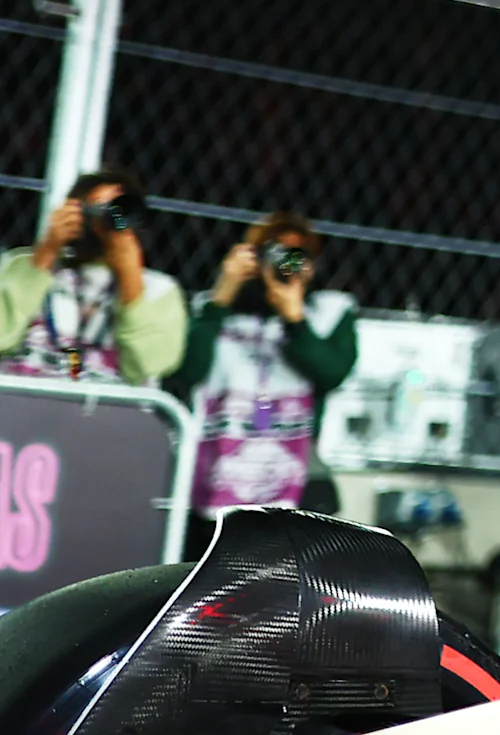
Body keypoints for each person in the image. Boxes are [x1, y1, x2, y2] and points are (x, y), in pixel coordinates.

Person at [174, 211, 358, 520]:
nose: (285, 264)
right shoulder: (211, 310)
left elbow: (331, 373)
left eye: (298, 256)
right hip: (215, 464)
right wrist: (223, 294)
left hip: (294, 467)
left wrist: (295, 319)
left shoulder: (328, 313)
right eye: (273, 252)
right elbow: (187, 372)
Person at [2, 167, 188, 384]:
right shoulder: (26, 266)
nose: (109, 219)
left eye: (119, 210)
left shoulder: (159, 289)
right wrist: (47, 251)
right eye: (99, 208)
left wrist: (130, 277)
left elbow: (150, 365)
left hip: (108, 412)